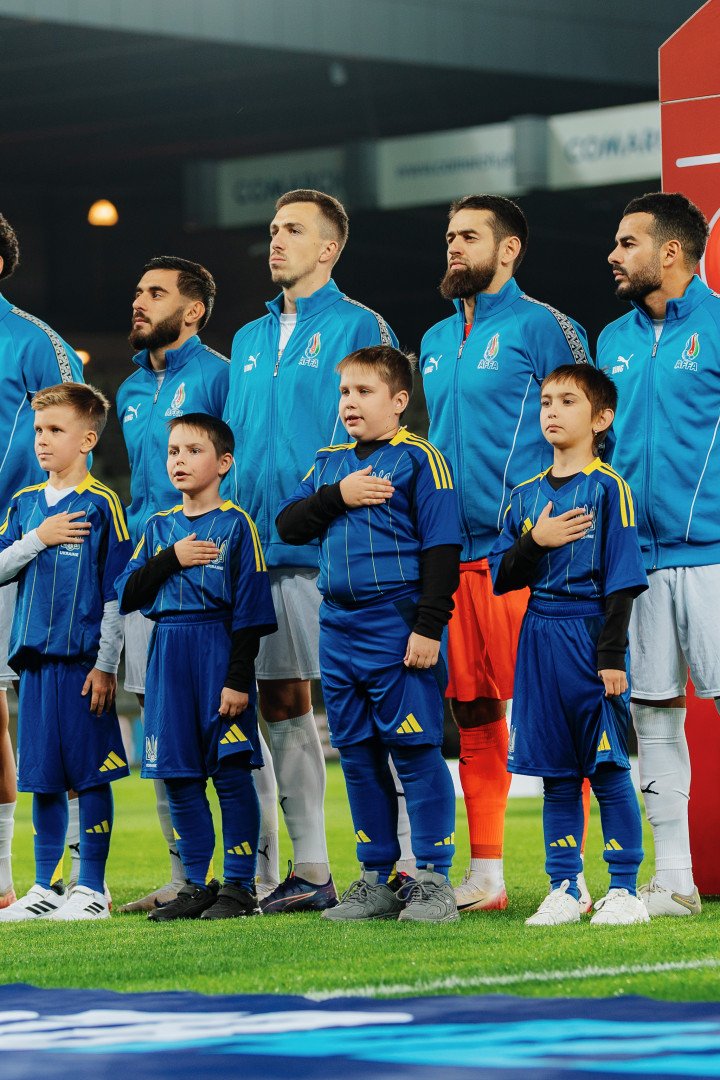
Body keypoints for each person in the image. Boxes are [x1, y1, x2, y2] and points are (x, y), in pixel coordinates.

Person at [224, 189, 402, 913]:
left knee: (380, 708)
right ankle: (311, 868)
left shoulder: (361, 325)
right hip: (259, 551)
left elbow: (387, 433)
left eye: (293, 230)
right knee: (280, 706)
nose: (276, 241)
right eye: (272, 229)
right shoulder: (245, 339)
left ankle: (409, 867)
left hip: (339, 547)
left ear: (329, 248)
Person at [419, 194, 594, 913]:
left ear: (510, 248)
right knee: (475, 715)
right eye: (449, 236)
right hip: (457, 557)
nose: (454, 247)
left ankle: (572, 875)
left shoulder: (545, 326)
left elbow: (589, 429)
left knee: (558, 711)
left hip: (533, 553)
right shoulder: (432, 338)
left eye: (469, 236)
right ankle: (487, 875)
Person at [115, 255, 279, 912]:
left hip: (215, 581)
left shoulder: (219, 375)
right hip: (156, 576)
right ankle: (188, 877)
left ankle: (254, 877)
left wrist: (209, 550)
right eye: (137, 289)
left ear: (193, 310)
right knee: (167, 747)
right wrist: (157, 556)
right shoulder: (129, 391)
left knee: (240, 749)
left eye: (154, 292)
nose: (139, 300)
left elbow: (236, 458)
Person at [277, 346, 462, 922]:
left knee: (414, 750)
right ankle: (375, 880)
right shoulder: (330, 464)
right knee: (356, 755)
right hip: (338, 624)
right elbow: (288, 523)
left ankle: (432, 878)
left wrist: (428, 627)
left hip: (397, 623)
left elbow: (442, 549)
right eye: (345, 392)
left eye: (364, 392)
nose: (350, 403)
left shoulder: (420, 461)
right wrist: (339, 497)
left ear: (399, 401)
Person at [489, 365, 649, 926]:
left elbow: (624, 580)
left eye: (568, 401)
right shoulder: (525, 496)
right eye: (546, 401)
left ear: (601, 418)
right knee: (555, 771)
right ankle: (566, 885)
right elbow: (502, 576)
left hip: (588, 633)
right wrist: (538, 539)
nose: (552, 411)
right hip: (539, 635)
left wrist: (611, 657)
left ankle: (625, 889)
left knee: (605, 767)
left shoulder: (610, 489)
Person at [598, 191, 720, 917]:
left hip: (714, 554)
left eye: (626, 243)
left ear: (669, 252)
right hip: (636, 563)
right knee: (653, 717)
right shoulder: (609, 338)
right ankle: (675, 880)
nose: (613, 256)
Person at [0, 383, 131, 922]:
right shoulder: (25, 505)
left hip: (82, 666)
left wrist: (106, 663)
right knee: (42, 776)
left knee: (90, 773)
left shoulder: (104, 504)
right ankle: (44, 887)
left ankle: (92, 888)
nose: (43, 441)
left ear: (87, 439)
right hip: (34, 665)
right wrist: (40, 538)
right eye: (38, 431)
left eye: (56, 430)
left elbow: (116, 591)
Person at [0, 212, 85, 909]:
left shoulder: (36, 344)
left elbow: (70, 428)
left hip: (14, 544)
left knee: (2, 715)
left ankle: (10, 876)